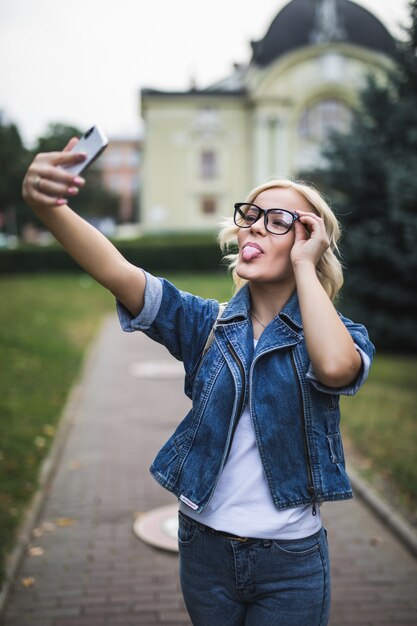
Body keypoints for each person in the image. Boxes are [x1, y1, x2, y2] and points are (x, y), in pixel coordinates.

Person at [22, 138, 374, 626]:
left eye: (279, 221)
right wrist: (48, 206)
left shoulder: (341, 336)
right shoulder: (203, 325)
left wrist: (302, 266)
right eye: (252, 215)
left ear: (309, 242)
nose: (255, 226)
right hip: (204, 550)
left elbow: (336, 368)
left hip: (291, 562)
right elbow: (117, 272)